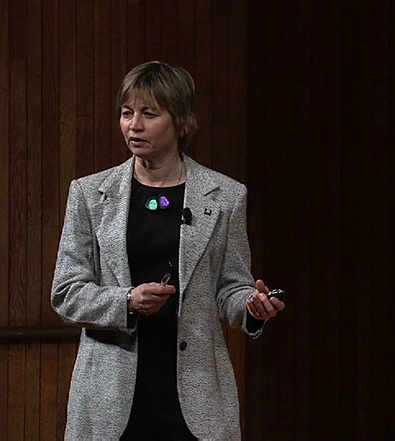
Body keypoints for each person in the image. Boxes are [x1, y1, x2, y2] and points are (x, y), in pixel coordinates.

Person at [51, 60, 285, 440]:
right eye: (127, 113)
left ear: (180, 121)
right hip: (111, 393)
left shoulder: (225, 196)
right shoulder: (90, 195)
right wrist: (127, 300)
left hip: (194, 391)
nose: (134, 125)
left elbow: (230, 287)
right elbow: (66, 292)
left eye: (149, 114)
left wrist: (250, 306)